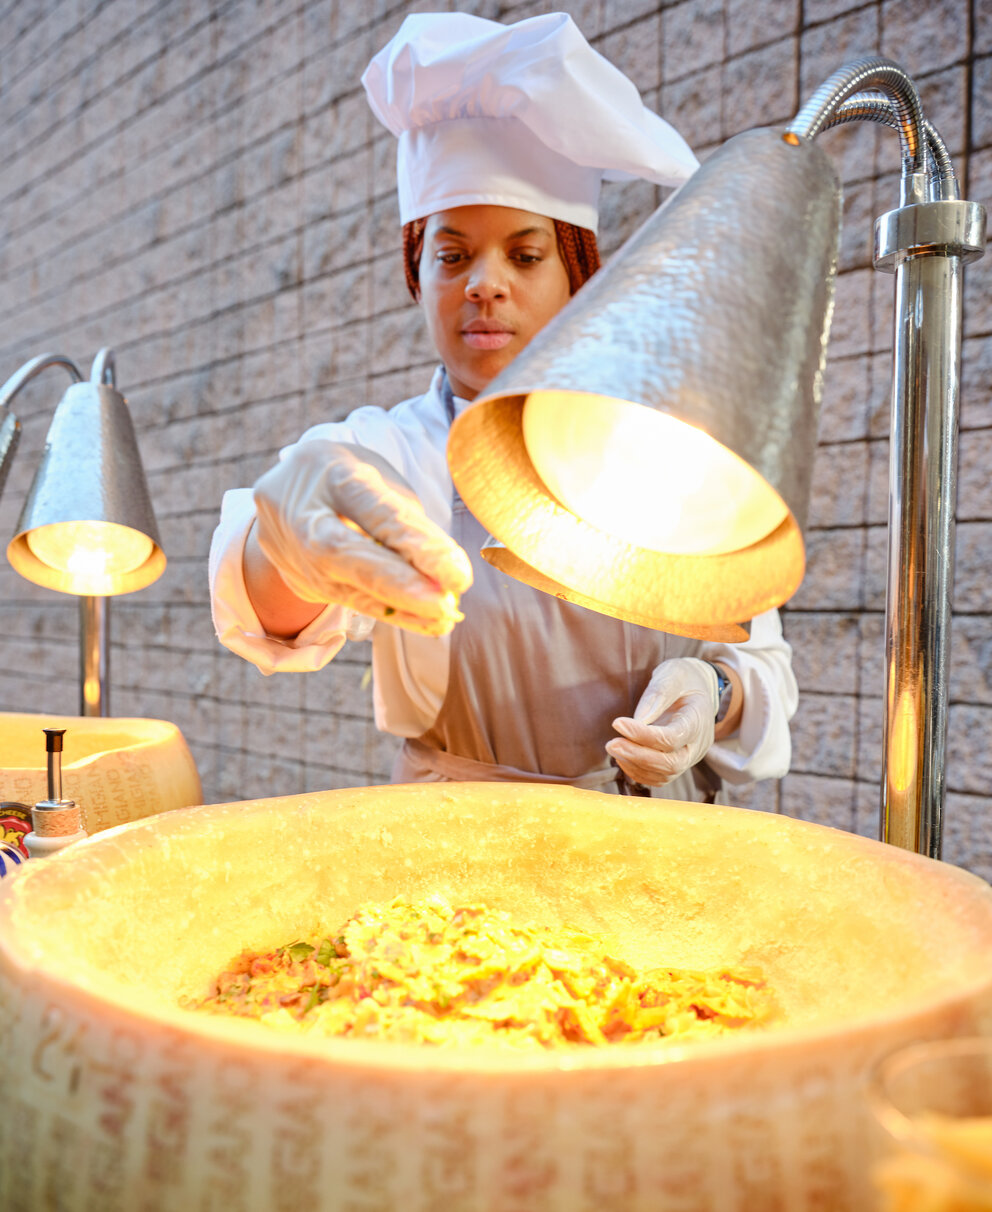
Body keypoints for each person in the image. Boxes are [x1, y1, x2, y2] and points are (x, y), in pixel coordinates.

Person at [209, 10, 798, 802]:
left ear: (577, 276)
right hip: (445, 842)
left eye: (525, 254)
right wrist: (283, 546)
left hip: (640, 846)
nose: (485, 284)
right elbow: (266, 607)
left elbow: (762, 670)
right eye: (451, 255)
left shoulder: (670, 455)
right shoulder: (394, 451)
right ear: (419, 278)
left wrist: (711, 694)